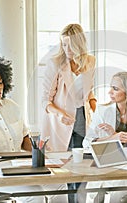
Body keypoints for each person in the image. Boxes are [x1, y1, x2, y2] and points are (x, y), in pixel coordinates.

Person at [0, 54, 67, 203]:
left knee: (60, 184)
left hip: (18, 169)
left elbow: (24, 141)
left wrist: (42, 152)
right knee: (35, 195)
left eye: (0, 82)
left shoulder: (12, 106)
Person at [40, 23, 96, 203]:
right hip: (60, 123)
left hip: (82, 118)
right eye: (63, 44)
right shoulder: (55, 63)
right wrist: (59, 114)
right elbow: (45, 101)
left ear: (79, 44)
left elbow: (90, 93)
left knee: (81, 169)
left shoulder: (90, 61)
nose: (67, 49)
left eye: (70, 45)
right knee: (62, 170)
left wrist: (98, 108)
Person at [82, 72, 127, 203]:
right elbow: (86, 142)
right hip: (108, 161)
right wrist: (113, 137)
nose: (110, 92)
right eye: (111, 87)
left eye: (115, 89)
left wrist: (126, 138)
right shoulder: (102, 110)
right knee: (121, 185)